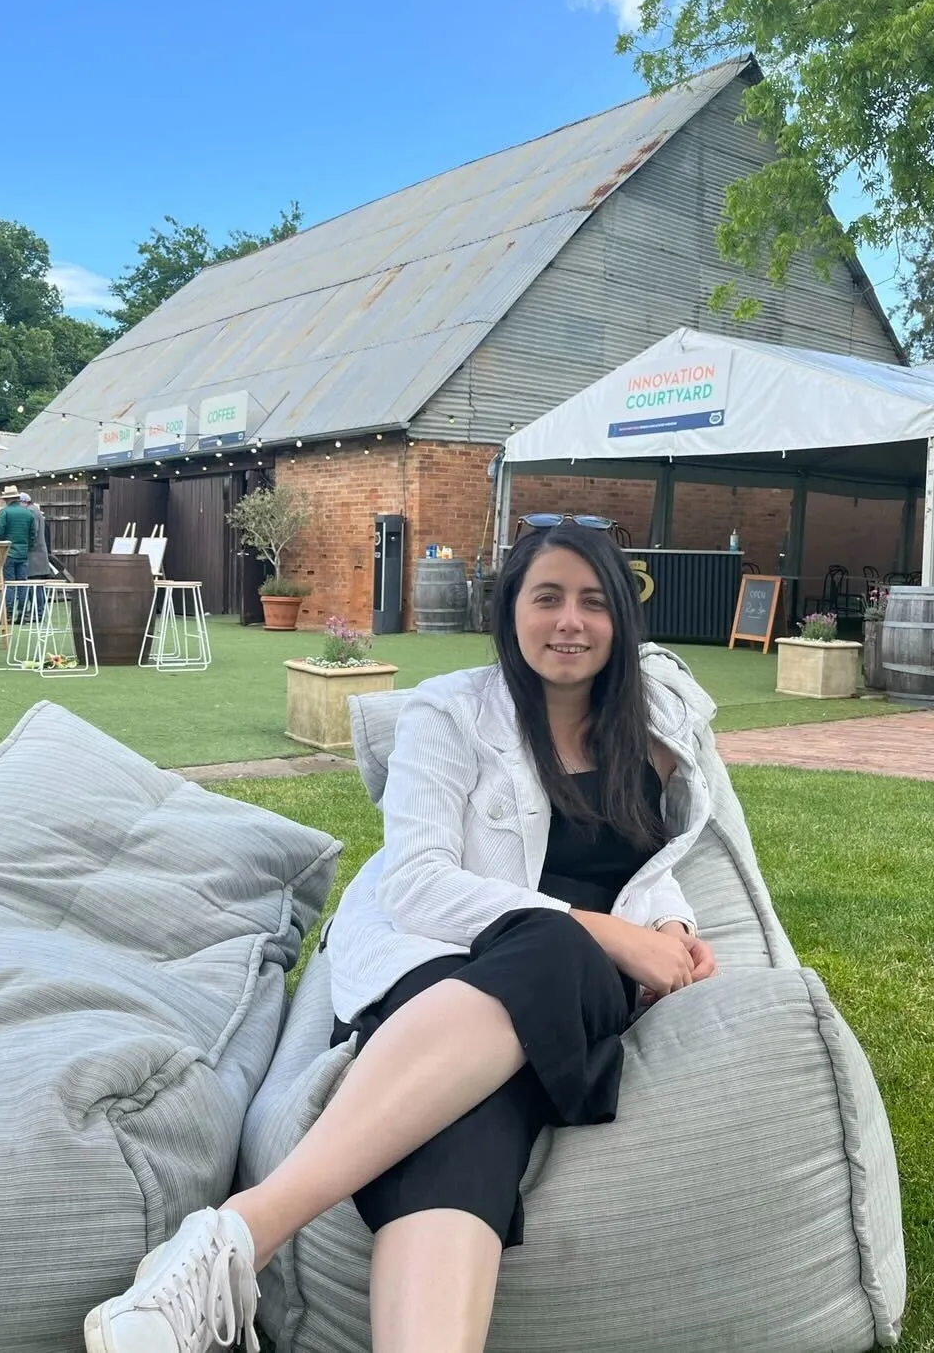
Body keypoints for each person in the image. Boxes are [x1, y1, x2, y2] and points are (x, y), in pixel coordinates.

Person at [85, 519, 719, 1353]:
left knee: (547, 971)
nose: (571, 621)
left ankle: (229, 1242)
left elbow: (650, 857)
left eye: (594, 602)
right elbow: (418, 881)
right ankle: (243, 1237)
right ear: (511, 611)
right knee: (472, 1115)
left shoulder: (650, 735)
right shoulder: (450, 712)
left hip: (573, 986)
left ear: (620, 622)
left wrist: (669, 922)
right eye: (548, 597)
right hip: (444, 965)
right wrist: (603, 932)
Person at [0, 484, 38, 621]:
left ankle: (9, 614)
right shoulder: (28, 513)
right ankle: (22, 613)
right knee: (22, 583)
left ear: (6, 499)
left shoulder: (4, 512)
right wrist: (27, 547)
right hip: (23, 553)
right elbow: (33, 535)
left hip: (8, 553)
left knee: (9, 584)